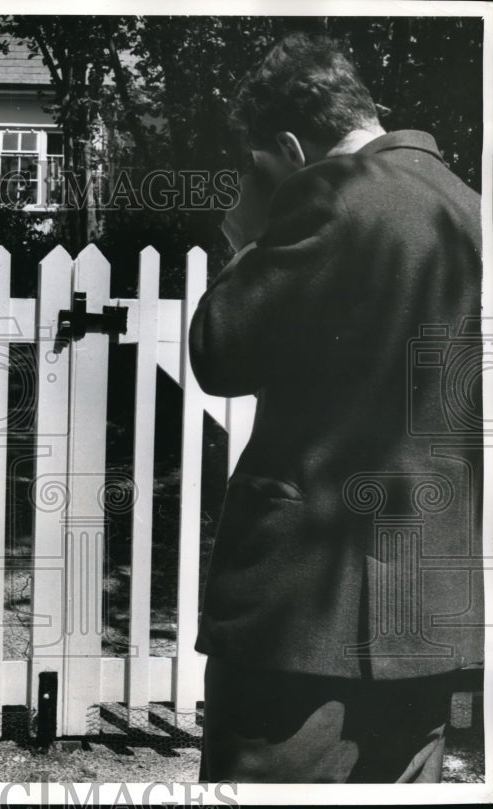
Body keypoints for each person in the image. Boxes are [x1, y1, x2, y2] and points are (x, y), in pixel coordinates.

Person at [189, 33, 483, 783]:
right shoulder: (472, 211)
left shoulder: (327, 194)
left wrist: (248, 240)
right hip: (429, 613)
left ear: (290, 144)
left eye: (262, 165)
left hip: (300, 622)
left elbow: (219, 354)